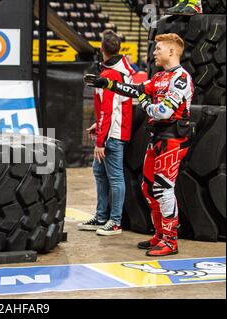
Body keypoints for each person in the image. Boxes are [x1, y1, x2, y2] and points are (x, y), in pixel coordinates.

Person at [84, 33, 193, 256]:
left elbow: (163, 112)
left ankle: (171, 241)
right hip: (157, 138)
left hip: (172, 139)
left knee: (163, 188)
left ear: (171, 52)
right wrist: (108, 83)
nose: (154, 52)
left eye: (159, 48)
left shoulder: (181, 78)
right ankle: (160, 234)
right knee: (147, 187)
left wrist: (145, 103)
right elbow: (137, 90)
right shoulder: (160, 76)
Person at [77, 30, 133, 236]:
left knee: (115, 178)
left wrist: (100, 140)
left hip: (112, 135)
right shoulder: (121, 69)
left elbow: (109, 110)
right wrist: (98, 125)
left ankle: (115, 222)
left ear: (102, 50)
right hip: (111, 131)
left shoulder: (110, 74)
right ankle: (101, 217)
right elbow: (114, 108)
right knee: (100, 174)